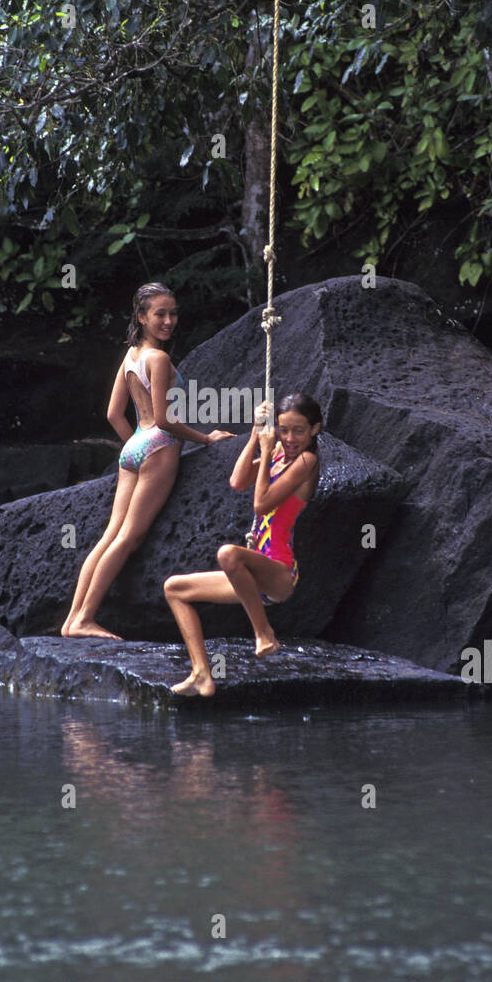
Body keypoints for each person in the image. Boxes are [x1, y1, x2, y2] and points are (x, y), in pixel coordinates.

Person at [61, 282, 232, 638]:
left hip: (135, 445)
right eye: (160, 314)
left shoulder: (131, 355)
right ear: (141, 316)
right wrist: (206, 437)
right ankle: (84, 618)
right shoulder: (159, 358)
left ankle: (73, 618)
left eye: (173, 313)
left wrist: (136, 447)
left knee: (111, 535)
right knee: (127, 539)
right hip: (159, 443)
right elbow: (166, 419)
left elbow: (113, 415)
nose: (169, 321)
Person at [163, 393, 322, 697]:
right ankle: (201, 675)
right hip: (252, 577)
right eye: (283, 429)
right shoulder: (278, 454)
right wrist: (254, 437)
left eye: (299, 431)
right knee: (175, 588)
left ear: (315, 429)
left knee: (228, 554)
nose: (289, 438)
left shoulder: (307, 461)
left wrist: (266, 450)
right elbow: (237, 481)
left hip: (279, 572)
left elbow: (261, 504)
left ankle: (263, 633)